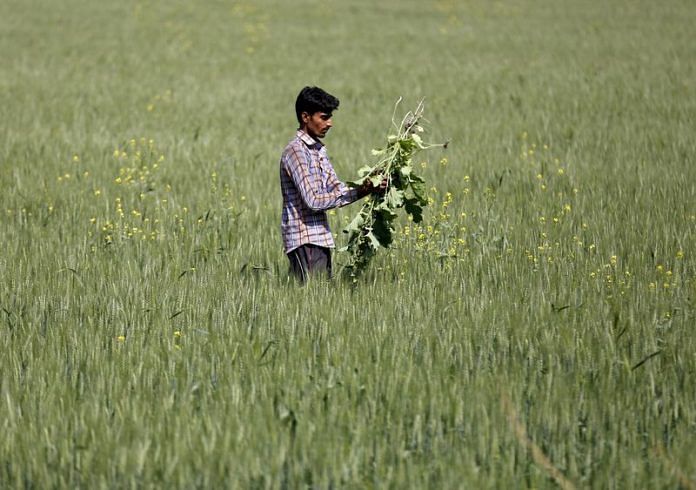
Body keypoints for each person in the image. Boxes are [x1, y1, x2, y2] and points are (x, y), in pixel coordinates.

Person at [279, 86, 383, 282]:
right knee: (310, 301)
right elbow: (313, 201)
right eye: (324, 117)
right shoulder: (296, 152)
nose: (330, 123)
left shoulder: (318, 151)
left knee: (316, 298)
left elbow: (336, 188)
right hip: (305, 239)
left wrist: (369, 185)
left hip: (319, 238)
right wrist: (362, 190)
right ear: (305, 117)